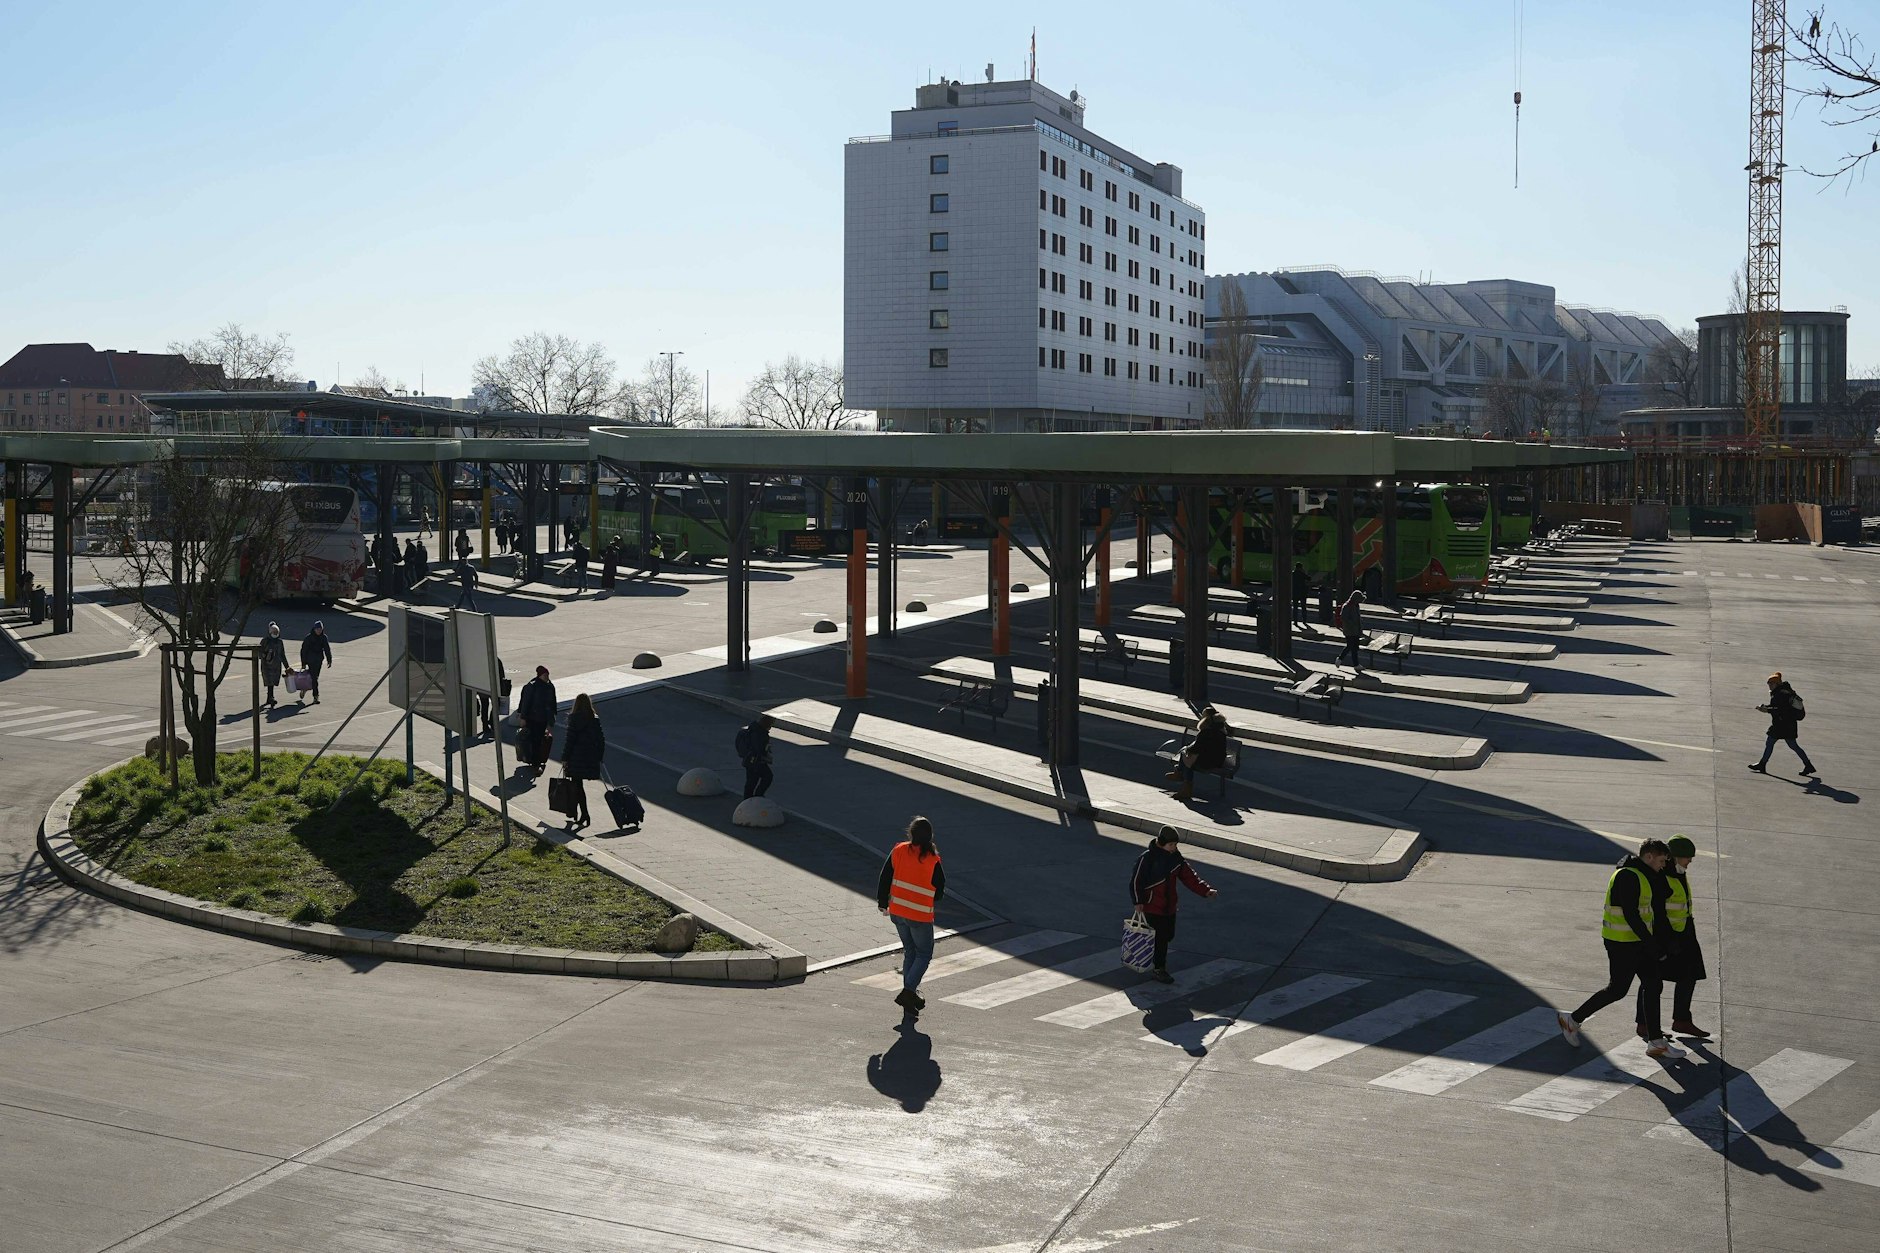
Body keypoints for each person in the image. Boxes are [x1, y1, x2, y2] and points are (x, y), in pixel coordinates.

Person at [1557, 838, 1684, 1060]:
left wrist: (1654, 941)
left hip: (1638, 942)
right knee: (1617, 990)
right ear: (1649, 857)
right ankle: (1573, 1019)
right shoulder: (1627, 876)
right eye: (1662, 861)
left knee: (1653, 984)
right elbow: (1631, 914)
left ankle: (1656, 1042)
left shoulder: (1644, 874)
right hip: (1621, 943)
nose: (1664, 865)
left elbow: (1659, 898)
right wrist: (1651, 943)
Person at [1129, 826, 1218, 983]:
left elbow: (1189, 877)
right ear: (1161, 843)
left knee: (1168, 935)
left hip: (1169, 907)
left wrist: (1205, 890)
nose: (1174, 848)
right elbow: (1136, 881)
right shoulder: (1147, 858)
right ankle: (1159, 969)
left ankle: (1153, 956)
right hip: (1152, 906)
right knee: (1161, 938)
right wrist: (1138, 901)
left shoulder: (1176, 858)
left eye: (1175, 845)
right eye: (1171, 845)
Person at [876, 816, 946, 1014]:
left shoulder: (899, 850)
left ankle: (911, 995)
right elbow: (940, 891)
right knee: (924, 954)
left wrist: (882, 902)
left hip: (897, 911)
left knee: (910, 952)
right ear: (930, 836)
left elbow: (885, 876)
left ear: (911, 833)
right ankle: (908, 992)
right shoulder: (932, 859)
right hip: (920, 916)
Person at [1659, 835, 1711, 1040]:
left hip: (1685, 931)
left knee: (1690, 974)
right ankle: (1644, 1024)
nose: (1690, 861)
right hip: (1667, 935)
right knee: (1652, 980)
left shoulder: (1678, 873)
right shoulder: (1662, 876)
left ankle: (1682, 1020)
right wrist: (1667, 939)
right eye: (1687, 857)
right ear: (1674, 857)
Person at [1748, 671, 1815, 776]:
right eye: (1768, 683)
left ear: (1777, 683)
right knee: (1792, 745)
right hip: (1788, 724)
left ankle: (1762, 764)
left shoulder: (1780, 694)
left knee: (1771, 743)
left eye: (1771, 683)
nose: (1769, 685)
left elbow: (1780, 709)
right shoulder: (1782, 692)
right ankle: (1808, 765)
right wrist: (1767, 707)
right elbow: (1777, 707)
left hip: (1782, 725)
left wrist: (1766, 709)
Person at [558, 693, 605, 829]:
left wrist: (565, 758)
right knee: (578, 787)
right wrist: (599, 756)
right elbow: (601, 739)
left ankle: (581, 813)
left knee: (577, 786)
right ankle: (581, 814)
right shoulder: (594, 719)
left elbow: (570, 741)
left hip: (576, 758)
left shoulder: (574, 719)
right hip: (589, 757)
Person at [1164, 706, 1226, 802]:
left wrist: (1188, 749)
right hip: (1217, 760)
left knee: (1186, 757)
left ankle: (1184, 785)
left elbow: (1197, 748)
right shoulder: (1221, 731)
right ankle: (1179, 774)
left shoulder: (1206, 732)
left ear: (1206, 720)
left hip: (1207, 762)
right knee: (1187, 756)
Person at [515, 665, 558, 776]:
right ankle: (535, 763)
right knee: (535, 741)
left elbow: (553, 704)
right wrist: (523, 717)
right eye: (545, 675)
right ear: (539, 675)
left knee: (538, 741)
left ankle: (534, 761)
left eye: (548, 675)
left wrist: (552, 720)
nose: (547, 677)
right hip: (533, 719)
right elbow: (525, 703)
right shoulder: (532, 686)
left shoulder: (550, 686)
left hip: (543, 719)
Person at [736, 715, 773, 798]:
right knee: (767, 777)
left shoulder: (754, 729)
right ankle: (757, 796)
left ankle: (749, 799)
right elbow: (758, 749)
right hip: (755, 761)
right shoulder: (759, 734)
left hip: (749, 760)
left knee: (752, 781)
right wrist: (766, 757)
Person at [298, 621, 333, 705]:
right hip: (310, 660)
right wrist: (303, 662)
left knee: (314, 677)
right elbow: (303, 650)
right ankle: (316, 696)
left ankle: (305, 688)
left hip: (319, 660)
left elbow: (327, 649)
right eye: (317, 629)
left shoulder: (324, 637)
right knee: (314, 678)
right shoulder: (309, 638)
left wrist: (329, 659)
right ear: (314, 629)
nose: (319, 631)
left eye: (320, 629)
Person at [259, 622, 289, 707]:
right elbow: (259, 651)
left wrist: (287, 666)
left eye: (276, 632)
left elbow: (282, 654)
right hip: (267, 665)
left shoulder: (279, 642)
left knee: (273, 681)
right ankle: (271, 697)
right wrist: (264, 655)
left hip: (276, 665)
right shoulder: (265, 641)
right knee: (269, 681)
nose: (275, 634)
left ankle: (269, 698)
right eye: (274, 632)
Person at [1336, 589, 1365, 674]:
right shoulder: (1347, 606)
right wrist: (1352, 623)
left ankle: (1355, 664)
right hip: (1349, 630)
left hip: (1355, 630)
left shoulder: (1356, 606)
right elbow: (1343, 617)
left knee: (1354, 647)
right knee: (1350, 646)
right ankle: (1340, 659)